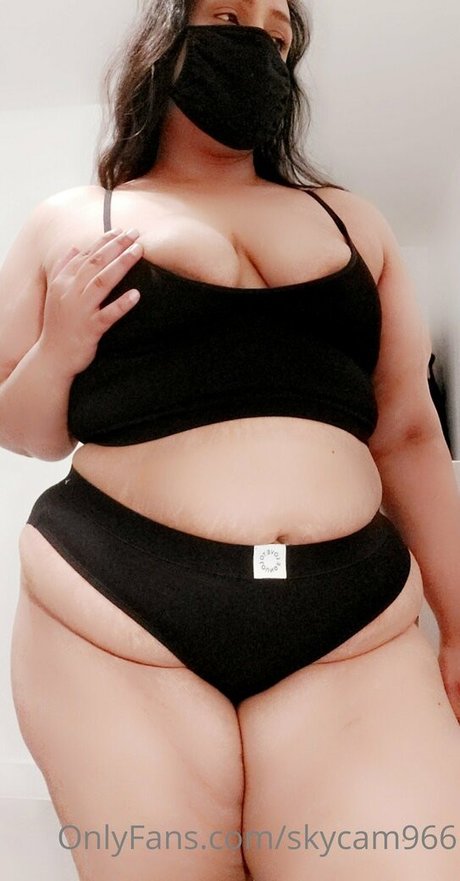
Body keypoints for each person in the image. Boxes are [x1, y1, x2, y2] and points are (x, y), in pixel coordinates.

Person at [2, 0, 460, 879]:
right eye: (228, 15)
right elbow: (22, 430)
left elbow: (407, 429)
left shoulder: (353, 221)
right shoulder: (73, 219)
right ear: (166, 42)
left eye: (278, 35)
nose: (256, 41)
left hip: (349, 620)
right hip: (117, 611)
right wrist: (59, 348)